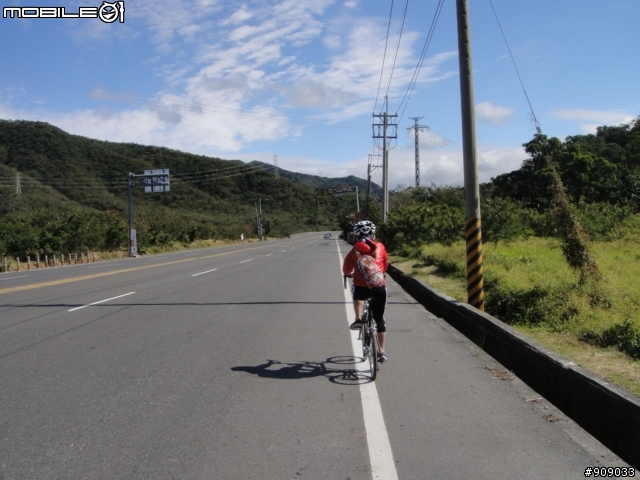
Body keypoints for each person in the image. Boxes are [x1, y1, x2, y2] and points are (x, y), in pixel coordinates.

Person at [342, 220, 389, 361]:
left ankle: (358, 319)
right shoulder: (380, 246)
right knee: (379, 319)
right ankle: (382, 351)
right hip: (379, 286)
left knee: (358, 295)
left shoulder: (354, 250)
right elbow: (385, 264)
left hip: (361, 286)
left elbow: (346, 268)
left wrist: (348, 274)